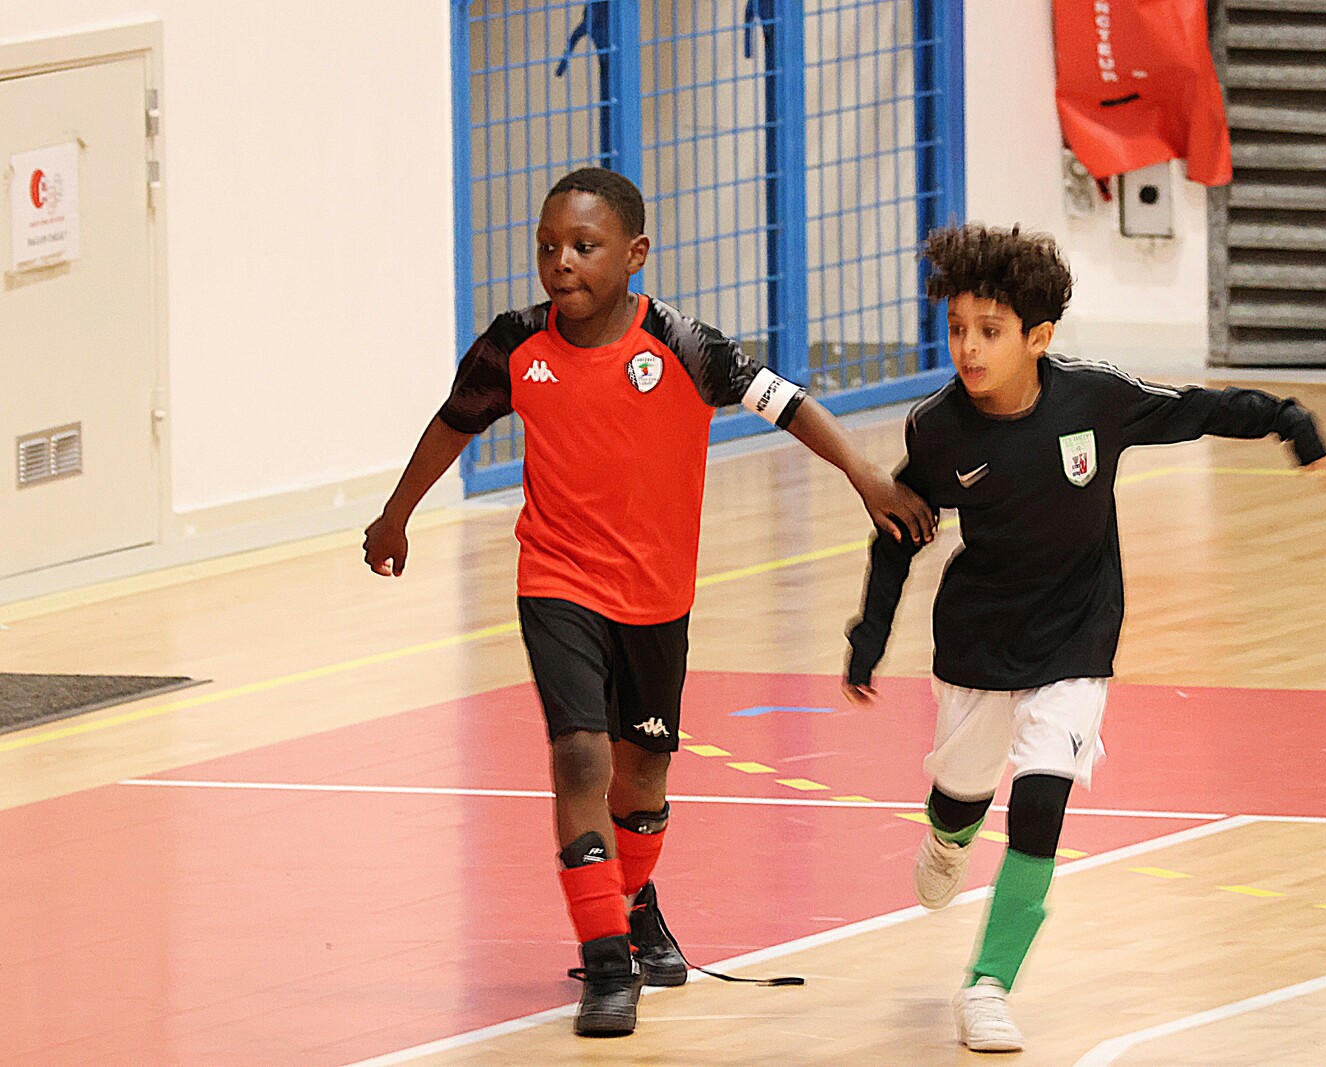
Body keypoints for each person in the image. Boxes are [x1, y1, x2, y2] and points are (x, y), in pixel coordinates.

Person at [364, 167, 934, 1037]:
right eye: (548, 246)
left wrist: (865, 476)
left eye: (583, 246)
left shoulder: (683, 343)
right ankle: (605, 961)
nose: (561, 262)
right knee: (580, 758)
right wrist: (396, 514)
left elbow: (787, 404)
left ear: (634, 254)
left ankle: (632, 904)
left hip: (657, 597)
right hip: (556, 580)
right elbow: (454, 422)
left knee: (643, 772)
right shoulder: (514, 345)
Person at [842, 222, 1326, 1052]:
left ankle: (988, 984)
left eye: (989, 330)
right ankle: (948, 836)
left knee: (1042, 801)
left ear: (1038, 337)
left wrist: (1286, 418)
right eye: (957, 328)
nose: (968, 347)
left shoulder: (1094, 399)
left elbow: (1196, 409)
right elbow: (900, 529)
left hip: (1077, 635)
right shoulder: (938, 428)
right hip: (980, 638)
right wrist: (871, 633)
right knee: (961, 797)